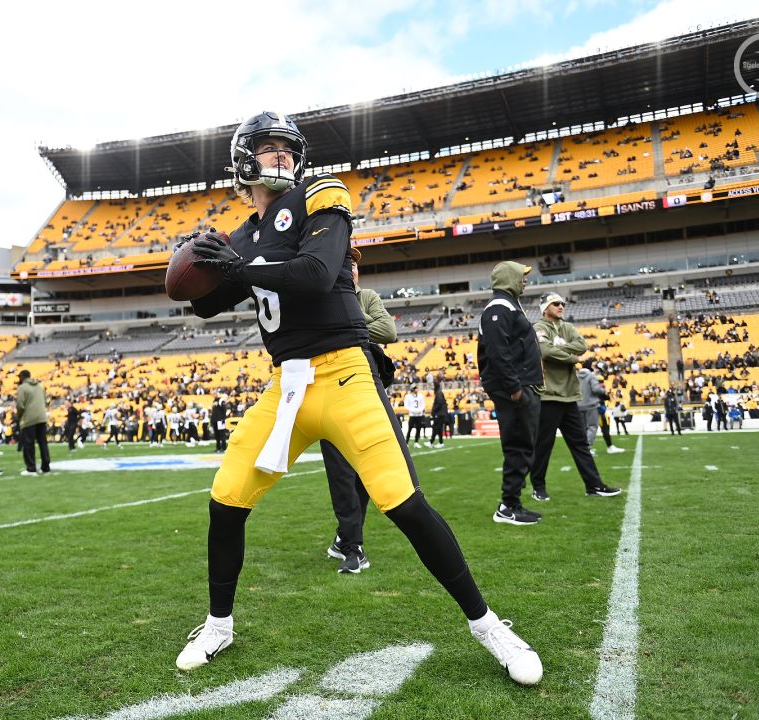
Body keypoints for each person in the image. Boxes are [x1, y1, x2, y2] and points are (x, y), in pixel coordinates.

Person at [174, 111, 542, 686]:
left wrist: (241, 268)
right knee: (226, 497)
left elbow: (318, 274)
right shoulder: (241, 236)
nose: (281, 157)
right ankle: (218, 624)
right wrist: (195, 263)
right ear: (244, 159)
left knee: (403, 502)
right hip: (286, 384)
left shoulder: (321, 194)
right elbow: (203, 304)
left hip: (345, 374)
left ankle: (490, 625)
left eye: (286, 149)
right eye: (268, 148)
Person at [322, 245, 397, 574]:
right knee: (341, 475)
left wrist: (347, 309)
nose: (351, 268)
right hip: (331, 392)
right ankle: (353, 546)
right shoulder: (319, 297)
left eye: (353, 264)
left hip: (367, 391)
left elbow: (389, 332)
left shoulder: (366, 297)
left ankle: (345, 538)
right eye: (344, 263)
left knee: (367, 474)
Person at [529, 293, 622, 501]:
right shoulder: (539, 328)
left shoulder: (568, 327)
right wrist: (570, 356)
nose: (561, 306)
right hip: (549, 396)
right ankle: (539, 487)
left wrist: (561, 350)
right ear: (545, 308)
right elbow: (544, 351)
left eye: (562, 303)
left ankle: (594, 485)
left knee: (580, 445)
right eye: (556, 303)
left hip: (570, 397)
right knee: (544, 446)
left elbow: (582, 346)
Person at [477, 261, 544, 525]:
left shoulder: (508, 305)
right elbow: (497, 351)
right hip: (513, 389)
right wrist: (515, 388)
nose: (525, 281)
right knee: (518, 446)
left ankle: (513, 502)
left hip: (519, 385)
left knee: (524, 446)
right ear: (508, 279)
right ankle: (507, 507)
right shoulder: (499, 308)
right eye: (521, 277)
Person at [577, 366, 624, 455]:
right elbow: (598, 392)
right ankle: (606, 446)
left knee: (586, 428)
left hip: (582, 406)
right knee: (600, 428)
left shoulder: (578, 378)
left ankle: (585, 448)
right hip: (596, 407)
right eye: (600, 381)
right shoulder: (592, 380)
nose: (601, 383)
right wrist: (606, 394)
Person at [15, 370, 50, 475]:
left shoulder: (22, 388)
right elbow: (45, 401)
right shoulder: (40, 386)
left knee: (29, 444)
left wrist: (19, 417)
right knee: (43, 443)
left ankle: (31, 468)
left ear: (21, 377)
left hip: (29, 419)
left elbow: (20, 405)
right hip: (42, 417)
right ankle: (46, 467)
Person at [430, 379, 449, 448]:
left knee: (437, 428)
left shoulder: (439, 393)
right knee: (437, 428)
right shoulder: (439, 392)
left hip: (439, 413)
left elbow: (439, 403)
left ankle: (439, 443)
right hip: (440, 413)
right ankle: (432, 442)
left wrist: (434, 411)